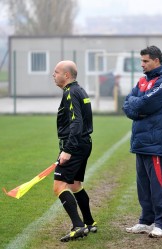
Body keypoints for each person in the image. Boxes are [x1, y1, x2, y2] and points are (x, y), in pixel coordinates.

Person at [122, 46, 162, 238]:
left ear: (156, 60)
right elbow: (127, 104)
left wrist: (139, 106)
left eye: (145, 61)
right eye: (141, 61)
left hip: (156, 142)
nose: (142, 65)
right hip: (140, 141)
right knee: (143, 184)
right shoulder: (143, 81)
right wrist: (138, 107)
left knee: (158, 185)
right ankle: (146, 220)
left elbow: (144, 103)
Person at [52, 60, 97, 242]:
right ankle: (89, 222)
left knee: (59, 186)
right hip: (84, 143)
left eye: (56, 72)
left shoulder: (70, 93)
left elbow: (76, 122)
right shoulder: (80, 90)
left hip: (75, 145)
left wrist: (68, 150)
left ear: (66, 75)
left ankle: (78, 226)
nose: (53, 75)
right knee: (75, 184)